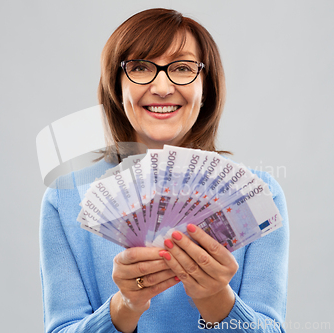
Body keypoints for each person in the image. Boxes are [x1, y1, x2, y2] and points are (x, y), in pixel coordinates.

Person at [40, 8, 289, 333]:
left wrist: (218, 301)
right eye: (140, 67)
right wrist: (124, 306)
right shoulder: (66, 195)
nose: (161, 86)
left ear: (206, 88)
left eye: (182, 68)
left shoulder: (258, 196)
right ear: (117, 86)